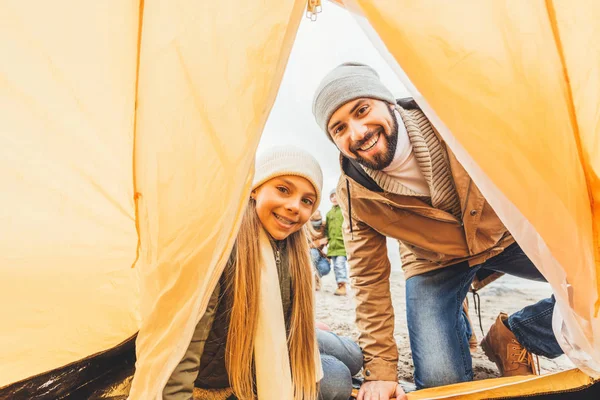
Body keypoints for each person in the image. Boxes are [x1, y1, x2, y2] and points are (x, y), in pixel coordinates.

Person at [312, 63, 563, 399]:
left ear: (388, 102)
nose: (357, 133)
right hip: (433, 260)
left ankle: (517, 333)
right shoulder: (354, 192)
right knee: (443, 384)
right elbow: (369, 278)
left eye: (362, 110)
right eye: (339, 128)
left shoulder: (454, 117)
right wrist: (382, 370)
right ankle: (452, 310)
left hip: (504, 236)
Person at [163, 146, 362, 400]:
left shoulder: (294, 247)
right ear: (255, 187)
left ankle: (316, 333)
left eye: (306, 200)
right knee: (338, 380)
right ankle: (319, 336)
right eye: (283, 189)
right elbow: (182, 348)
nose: (294, 206)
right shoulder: (221, 247)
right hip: (229, 375)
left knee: (355, 356)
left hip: (282, 342)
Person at [325, 189, 349, 296]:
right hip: (332, 246)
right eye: (332, 196)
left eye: (336, 196)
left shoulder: (344, 211)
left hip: (342, 245)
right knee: (336, 266)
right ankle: (339, 285)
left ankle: (343, 285)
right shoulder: (329, 214)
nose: (334, 198)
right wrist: (326, 239)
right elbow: (326, 229)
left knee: (340, 264)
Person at [307, 210, 330, 291]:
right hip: (308, 255)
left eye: (318, 220)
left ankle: (315, 278)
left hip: (320, 254)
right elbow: (304, 246)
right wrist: (318, 242)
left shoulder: (324, 226)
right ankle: (310, 280)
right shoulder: (305, 228)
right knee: (314, 253)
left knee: (325, 267)